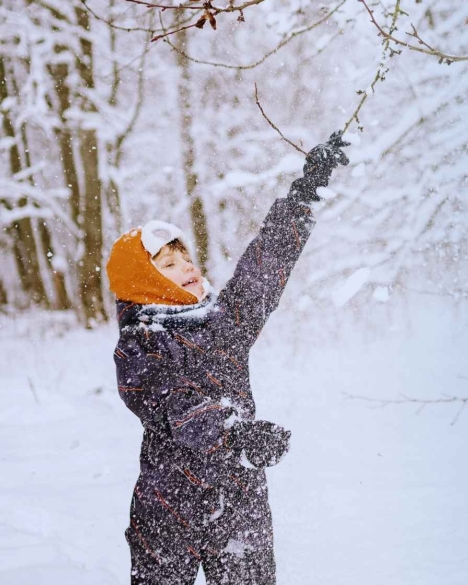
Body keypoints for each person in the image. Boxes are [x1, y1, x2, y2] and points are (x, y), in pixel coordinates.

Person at [105, 132, 350, 584]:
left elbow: (261, 273)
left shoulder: (222, 325)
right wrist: (233, 434)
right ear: (142, 281)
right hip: (168, 508)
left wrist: (302, 197)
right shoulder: (140, 345)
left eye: (187, 257)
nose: (190, 268)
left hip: (240, 499)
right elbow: (176, 406)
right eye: (171, 265)